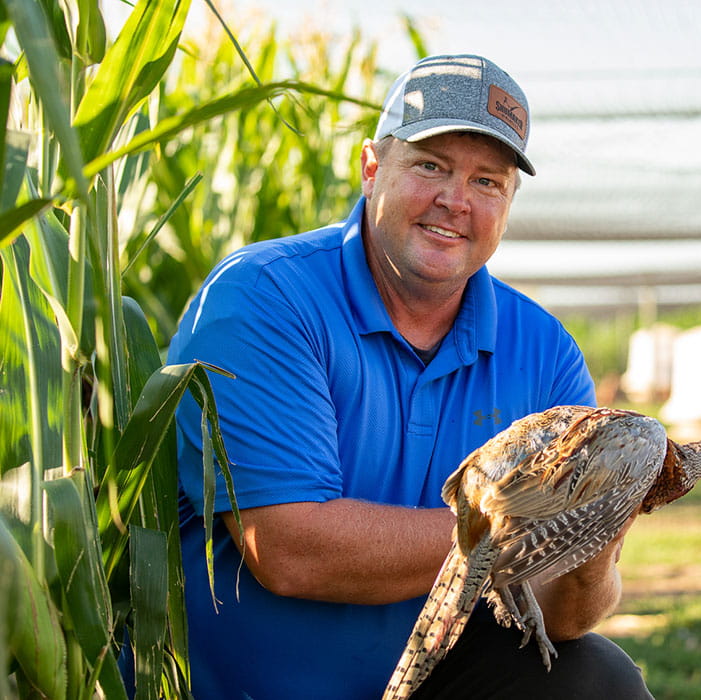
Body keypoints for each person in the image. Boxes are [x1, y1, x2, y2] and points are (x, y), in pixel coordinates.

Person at [167, 53, 653, 699]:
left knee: (597, 679)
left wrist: (595, 541)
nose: (455, 202)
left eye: (487, 181)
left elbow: (560, 615)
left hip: (430, 680)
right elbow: (286, 549)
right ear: (372, 168)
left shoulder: (545, 352)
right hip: (252, 686)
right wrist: (528, 525)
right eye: (431, 166)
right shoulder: (265, 298)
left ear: (509, 202)